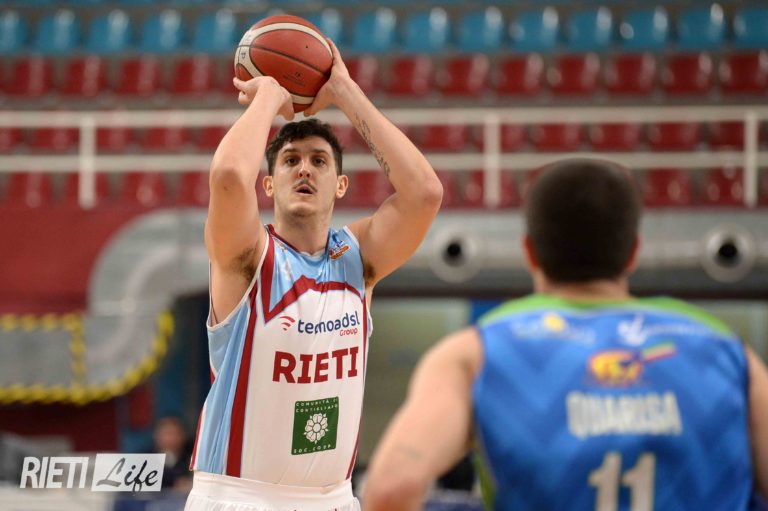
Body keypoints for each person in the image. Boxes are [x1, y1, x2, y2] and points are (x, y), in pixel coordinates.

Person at [363, 158, 768, 510]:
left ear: (530, 252)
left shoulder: (475, 352)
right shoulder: (727, 350)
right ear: (633, 252)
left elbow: (391, 489)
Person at [184, 37, 443, 511]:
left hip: (333, 499)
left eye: (319, 161)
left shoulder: (358, 258)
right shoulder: (247, 255)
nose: (304, 169)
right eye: (290, 160)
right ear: (268, 184)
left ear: (340, 185)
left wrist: (343, 90)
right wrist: (268, 98)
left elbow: (425, 193)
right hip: (239, 497)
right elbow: (228, 177)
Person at [152, 415, 193, 492]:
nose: (170, 438)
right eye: (166, 433)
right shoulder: (145, 461)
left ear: (184, 436)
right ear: (157, 435)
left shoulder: (192, 460)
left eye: (175, 433)